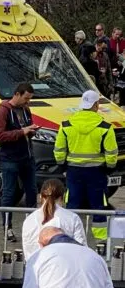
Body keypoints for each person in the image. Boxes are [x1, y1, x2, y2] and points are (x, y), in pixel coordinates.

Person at [54, 90, 118, 240]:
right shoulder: (105, 127)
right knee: (99, 206)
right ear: (96, 105)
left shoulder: (66, 125)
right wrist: (109, 168)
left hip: (73, 171)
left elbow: (59, 150)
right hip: (97, 173)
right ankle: (101, 242)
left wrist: (63, 166)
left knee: (72, 205)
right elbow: (111, 153)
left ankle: (69, 238)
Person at [0, 82, 38, 241]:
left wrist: (31, 131)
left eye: (30, 99)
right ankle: (7, 228)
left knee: (32, 191)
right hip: (10, 159)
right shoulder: (3, 111)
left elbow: (25, 131)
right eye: (26, 98)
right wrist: (21, 132)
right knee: (9, 194)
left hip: (27, 157)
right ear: (17, 94)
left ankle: (31, 226)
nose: (28, 102)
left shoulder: (26, 110)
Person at [22, 179, 86, 259]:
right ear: (62, 197)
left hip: (36, 267)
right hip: (65, 267)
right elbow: (82, 250)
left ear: (41, 196)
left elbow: (28, 250)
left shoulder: (29, 220)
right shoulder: (72, 218)